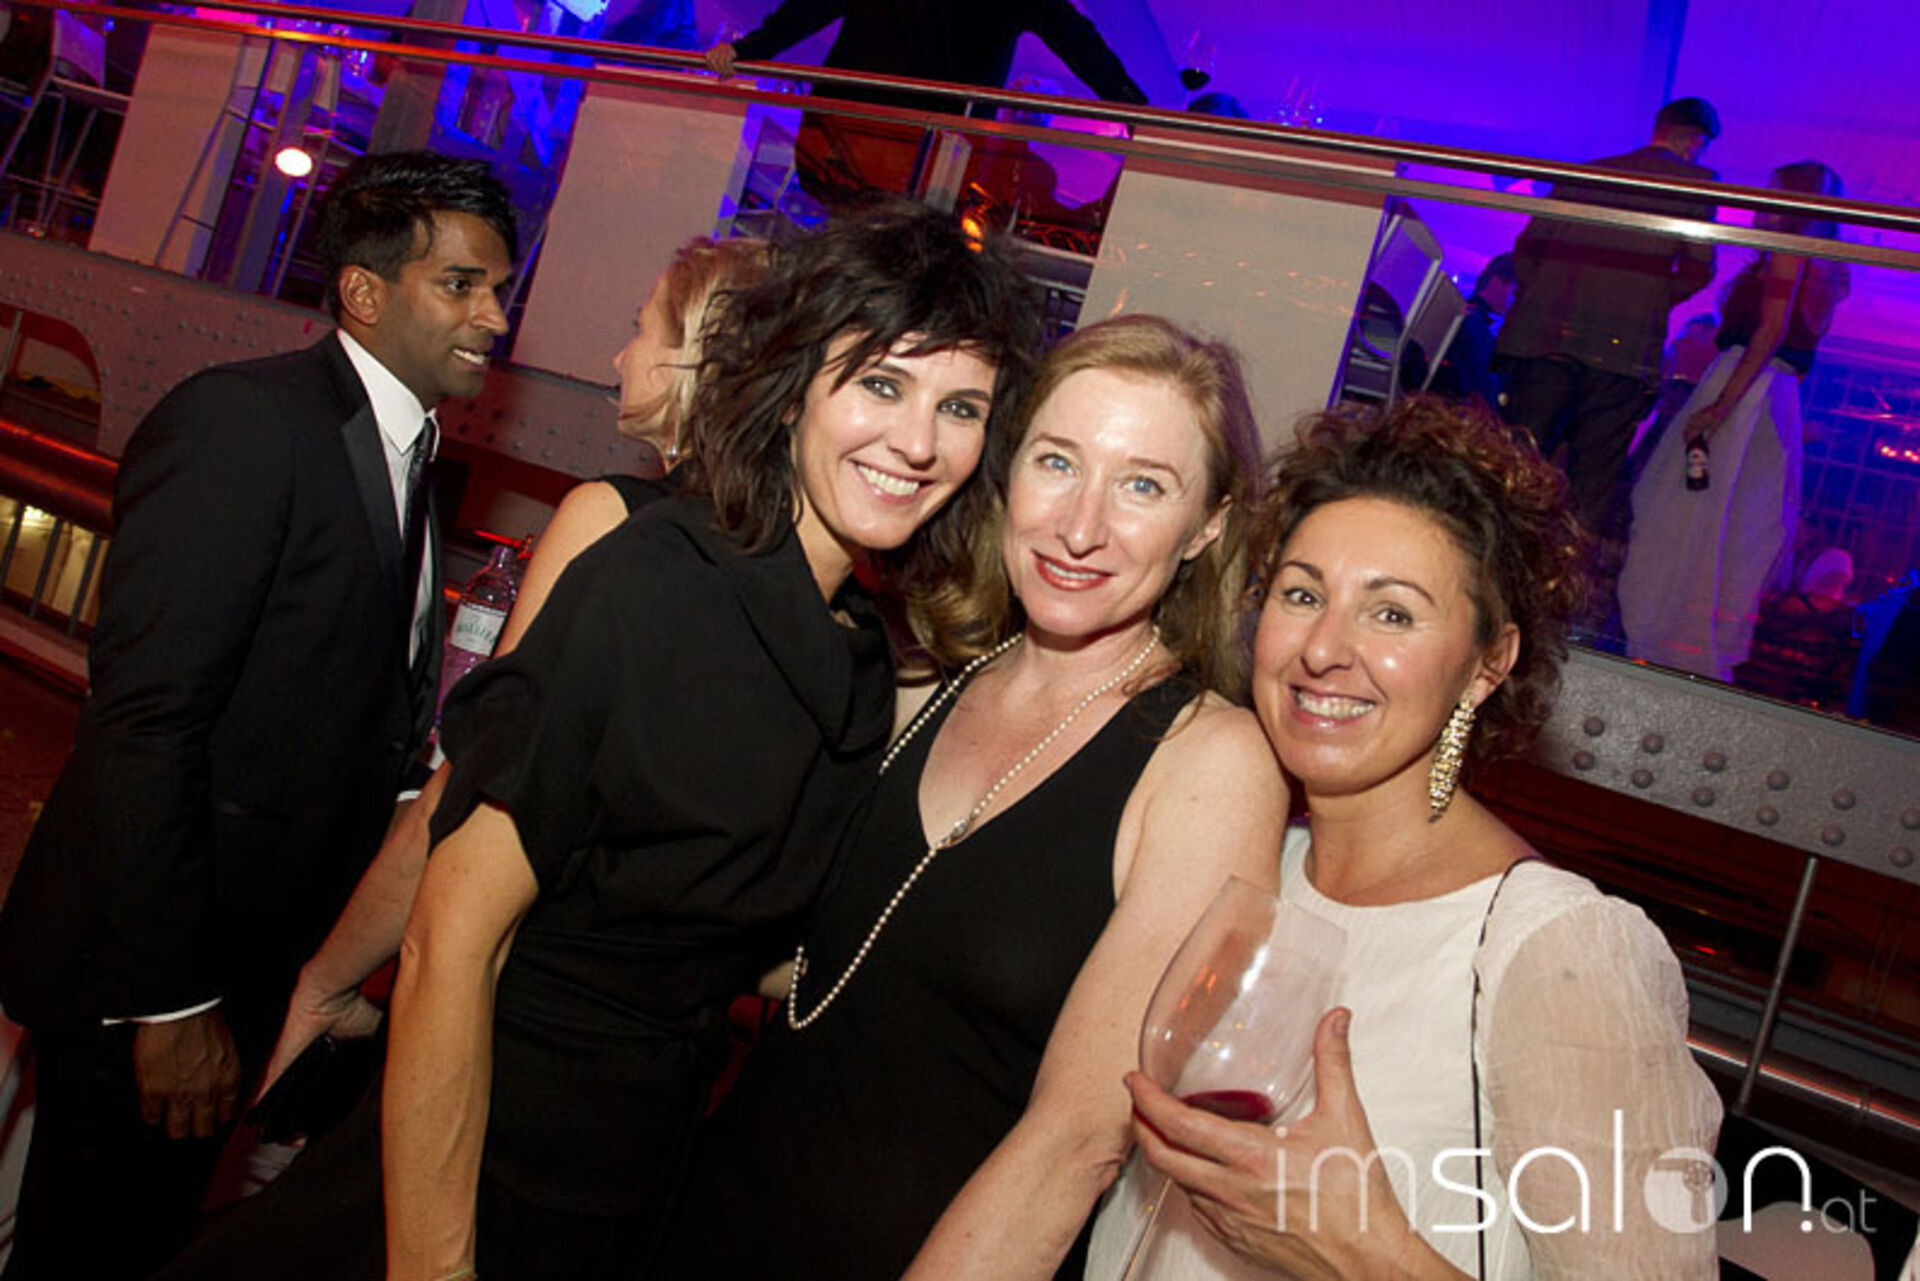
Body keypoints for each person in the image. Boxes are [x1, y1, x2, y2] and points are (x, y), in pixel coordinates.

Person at [384, 201, 1041, 1280]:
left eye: (960, 406)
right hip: (490, 1152)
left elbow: (742, 944)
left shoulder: (856, 658)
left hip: (638, 1175)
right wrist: (433, 1264)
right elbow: (448, 940)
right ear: (795, 386)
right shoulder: (655, 582)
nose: (920, 443)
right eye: (882, 384)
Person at [659, 315, 1289, 1279]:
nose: (1080, 525)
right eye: (1056, 462)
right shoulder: (926, 677)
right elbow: (839, 964)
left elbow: (1077, 1142)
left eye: (1143, 486)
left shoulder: (1210, 760)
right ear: (1007, 472)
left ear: (1206, 524)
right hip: (705, 1219)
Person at [0, 150, 517, 1281]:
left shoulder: (408, 451)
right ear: (364, 292)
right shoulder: (245, 422)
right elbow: (144, 723)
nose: (494, 316)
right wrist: (170, 1003)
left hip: (250, 967)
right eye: (462, 285)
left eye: (499, 289)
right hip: (154, 973)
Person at [1087, 397, 1723, 1279]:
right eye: (1302, 594)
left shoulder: (1554, 949)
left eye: (1392, 614)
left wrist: (1360, 1250)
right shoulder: (1248, 862)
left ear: (1487, 663)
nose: (1323, 649)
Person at [250, 234, 770, 1105]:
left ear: (695, 361)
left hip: (521, 1010)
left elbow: (470, 788)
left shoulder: (613, 520)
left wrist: (326, 980)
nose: (619, 356)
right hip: (653, 1063)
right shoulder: (786, 569)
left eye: (640, 330)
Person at [1619, 160, 1851, 682]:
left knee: (1692, 514)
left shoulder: (1789, 253)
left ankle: (1668, 637)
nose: (1760, 201)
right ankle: (1685, 641)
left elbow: (1770, 332)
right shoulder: (1821, 265)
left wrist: (1722, 405)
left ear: (1792, 202)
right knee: (1725, 521)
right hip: (1766, 390)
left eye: (1772, 191)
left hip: (1749, 385)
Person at [1496, 96, 1722, 538]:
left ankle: (1492, 555)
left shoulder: (1590, 171)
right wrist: (1647, 300)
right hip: (1623, 352)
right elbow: (1698, 270)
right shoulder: (1696, 184)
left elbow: (1528, 249)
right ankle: (1562, 569)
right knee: (1591, 481)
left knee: (1518, 463)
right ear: (1695, 141)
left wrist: (1548, 299)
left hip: (1547, 338)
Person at [704, 0, 1146, 201]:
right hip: (919, 153)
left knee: (853, 247)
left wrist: (749, 49)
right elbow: (1077, 40)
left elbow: (806, 12)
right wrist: (1131, 107)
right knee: (887, 254)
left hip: (853, 138)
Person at [1430, 252, 1516, 407]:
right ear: (1496, 283)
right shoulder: (1471, 321)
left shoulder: (1473, 319)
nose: (1518, 302)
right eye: (1515, 294)